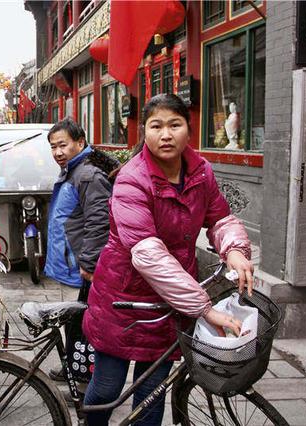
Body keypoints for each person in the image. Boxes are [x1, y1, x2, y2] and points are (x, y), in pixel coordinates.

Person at [82, 94, 254, 425]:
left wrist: (234, 248)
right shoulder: (132, 180)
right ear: (143, 131)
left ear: (189, 130)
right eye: (156, 126)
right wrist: (204, 309)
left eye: (175, 125)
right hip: (123, 301)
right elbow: (147, 254)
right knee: (106, 389)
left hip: (169, 302)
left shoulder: (201, 172)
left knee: (152, 393)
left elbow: (219, 218)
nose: (166, 134)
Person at [43, 118, 118, 383]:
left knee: (83, 321)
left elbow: (99, 222)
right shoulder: (75, 169)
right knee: (76, 319)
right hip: (75, 261)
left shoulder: (88, 174)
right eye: (53, 147)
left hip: (85, 265)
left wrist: (89, 264)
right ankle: (76, 369)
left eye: (62, 145)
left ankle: (83, 373)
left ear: (80, 142)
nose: (58, 152)